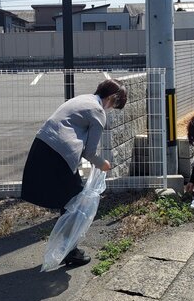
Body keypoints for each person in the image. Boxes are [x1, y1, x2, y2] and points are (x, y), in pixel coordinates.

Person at [21, 78, 127, 267]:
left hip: (42, 144)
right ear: (111, 98)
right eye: (115, 105)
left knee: (69, 198)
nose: (111, 110)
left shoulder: (83, 99)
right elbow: (89, 152)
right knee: (77, 200)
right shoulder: (98, 111)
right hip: (58, 153)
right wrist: (103, 164)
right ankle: (70, 251)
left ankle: (67, 248)